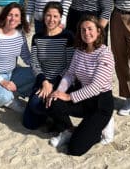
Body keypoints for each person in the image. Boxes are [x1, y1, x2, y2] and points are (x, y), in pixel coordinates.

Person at [47, 15, 115, 156]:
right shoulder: (80, 50)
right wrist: (58, 92)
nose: (86, 33)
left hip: (101, 104)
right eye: (83, 30)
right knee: (53, 101)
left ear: (98, 31)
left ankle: (103, 124)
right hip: (84, 100)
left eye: (90, 29)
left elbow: (96, 87)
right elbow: (70, 74)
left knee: (75, 149)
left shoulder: (104, 53)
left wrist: (68, 96)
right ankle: (68, 130)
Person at [22, 1, 74, 130]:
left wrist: (53, 83)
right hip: (42, 80)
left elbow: (70, 65)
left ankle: (57, 116)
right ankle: (49, 115)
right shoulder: (37, 37)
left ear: (60, 17)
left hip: (61, 81)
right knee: (29, 123)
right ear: (43, 17)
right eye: (48, 16)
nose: (51, 19)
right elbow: (34, 62)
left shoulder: (67, 36)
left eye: (55, 16)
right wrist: (44, 81)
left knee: (40, 103)